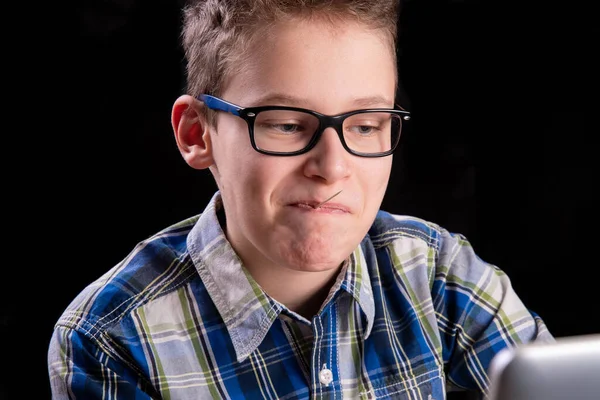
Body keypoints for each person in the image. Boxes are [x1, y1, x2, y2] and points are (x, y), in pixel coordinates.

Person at [48, 0, 554, 398]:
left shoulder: (438, 273)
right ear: (197, 134)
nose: (332, 167)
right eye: (287, 124)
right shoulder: (112, 340)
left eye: (365, 125)